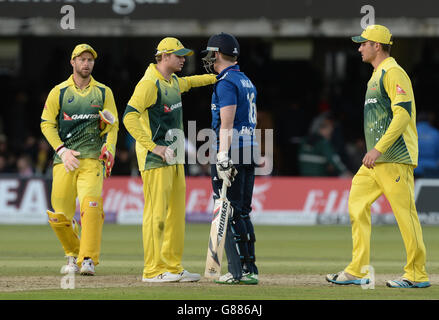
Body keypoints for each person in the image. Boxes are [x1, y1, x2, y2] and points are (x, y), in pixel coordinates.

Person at [326, 25, 430, 288]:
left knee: (405, 216)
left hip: (395, 157)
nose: (359, 48)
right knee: (356, 204)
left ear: (377, 46)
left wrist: (378, 148)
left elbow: (403, 114)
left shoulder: (394, 72)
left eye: (364, 43)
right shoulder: (376, 75)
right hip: (376, 162)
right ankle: (358, 269)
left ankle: (417, 274)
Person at [123, 37, 216, 283]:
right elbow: (129, 118)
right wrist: (154, 147)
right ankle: (152, 271)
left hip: (175, 158)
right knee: (156, 215)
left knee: (175, 215)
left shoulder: (172, 80)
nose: (184, 59)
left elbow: (190, 82)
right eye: (179, 56)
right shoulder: (149, 84)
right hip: (155, 160)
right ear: (164, 56)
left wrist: (218, 76)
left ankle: (172, 266)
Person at [41, 44, 119, 276]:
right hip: (65, 160)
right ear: (72, 62)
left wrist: (110, 148)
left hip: (93, 160)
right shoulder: (59, 91)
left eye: (90, 60)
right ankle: (72, 255)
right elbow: (47, 123)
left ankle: (87, 260)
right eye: (82, 59)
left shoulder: (104, 92)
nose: (86, 63)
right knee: (60, 216)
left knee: (91, 208)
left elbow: (113, 126)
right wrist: (62, 151)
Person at [201, 32, 259, 285]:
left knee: (230, 210)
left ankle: (238, 272)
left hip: (232, 151)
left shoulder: (225, 81)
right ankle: (250, 269)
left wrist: (223, 156)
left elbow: (227, 123)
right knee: (243, 212)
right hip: (248, 149)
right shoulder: (245, 79)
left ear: (217, 53)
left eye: (210, 53)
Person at [414, 111, 439, 178]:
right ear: (428, 121)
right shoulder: (436, 133)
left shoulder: (413, 132)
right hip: (433, 168)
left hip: (415, 168)